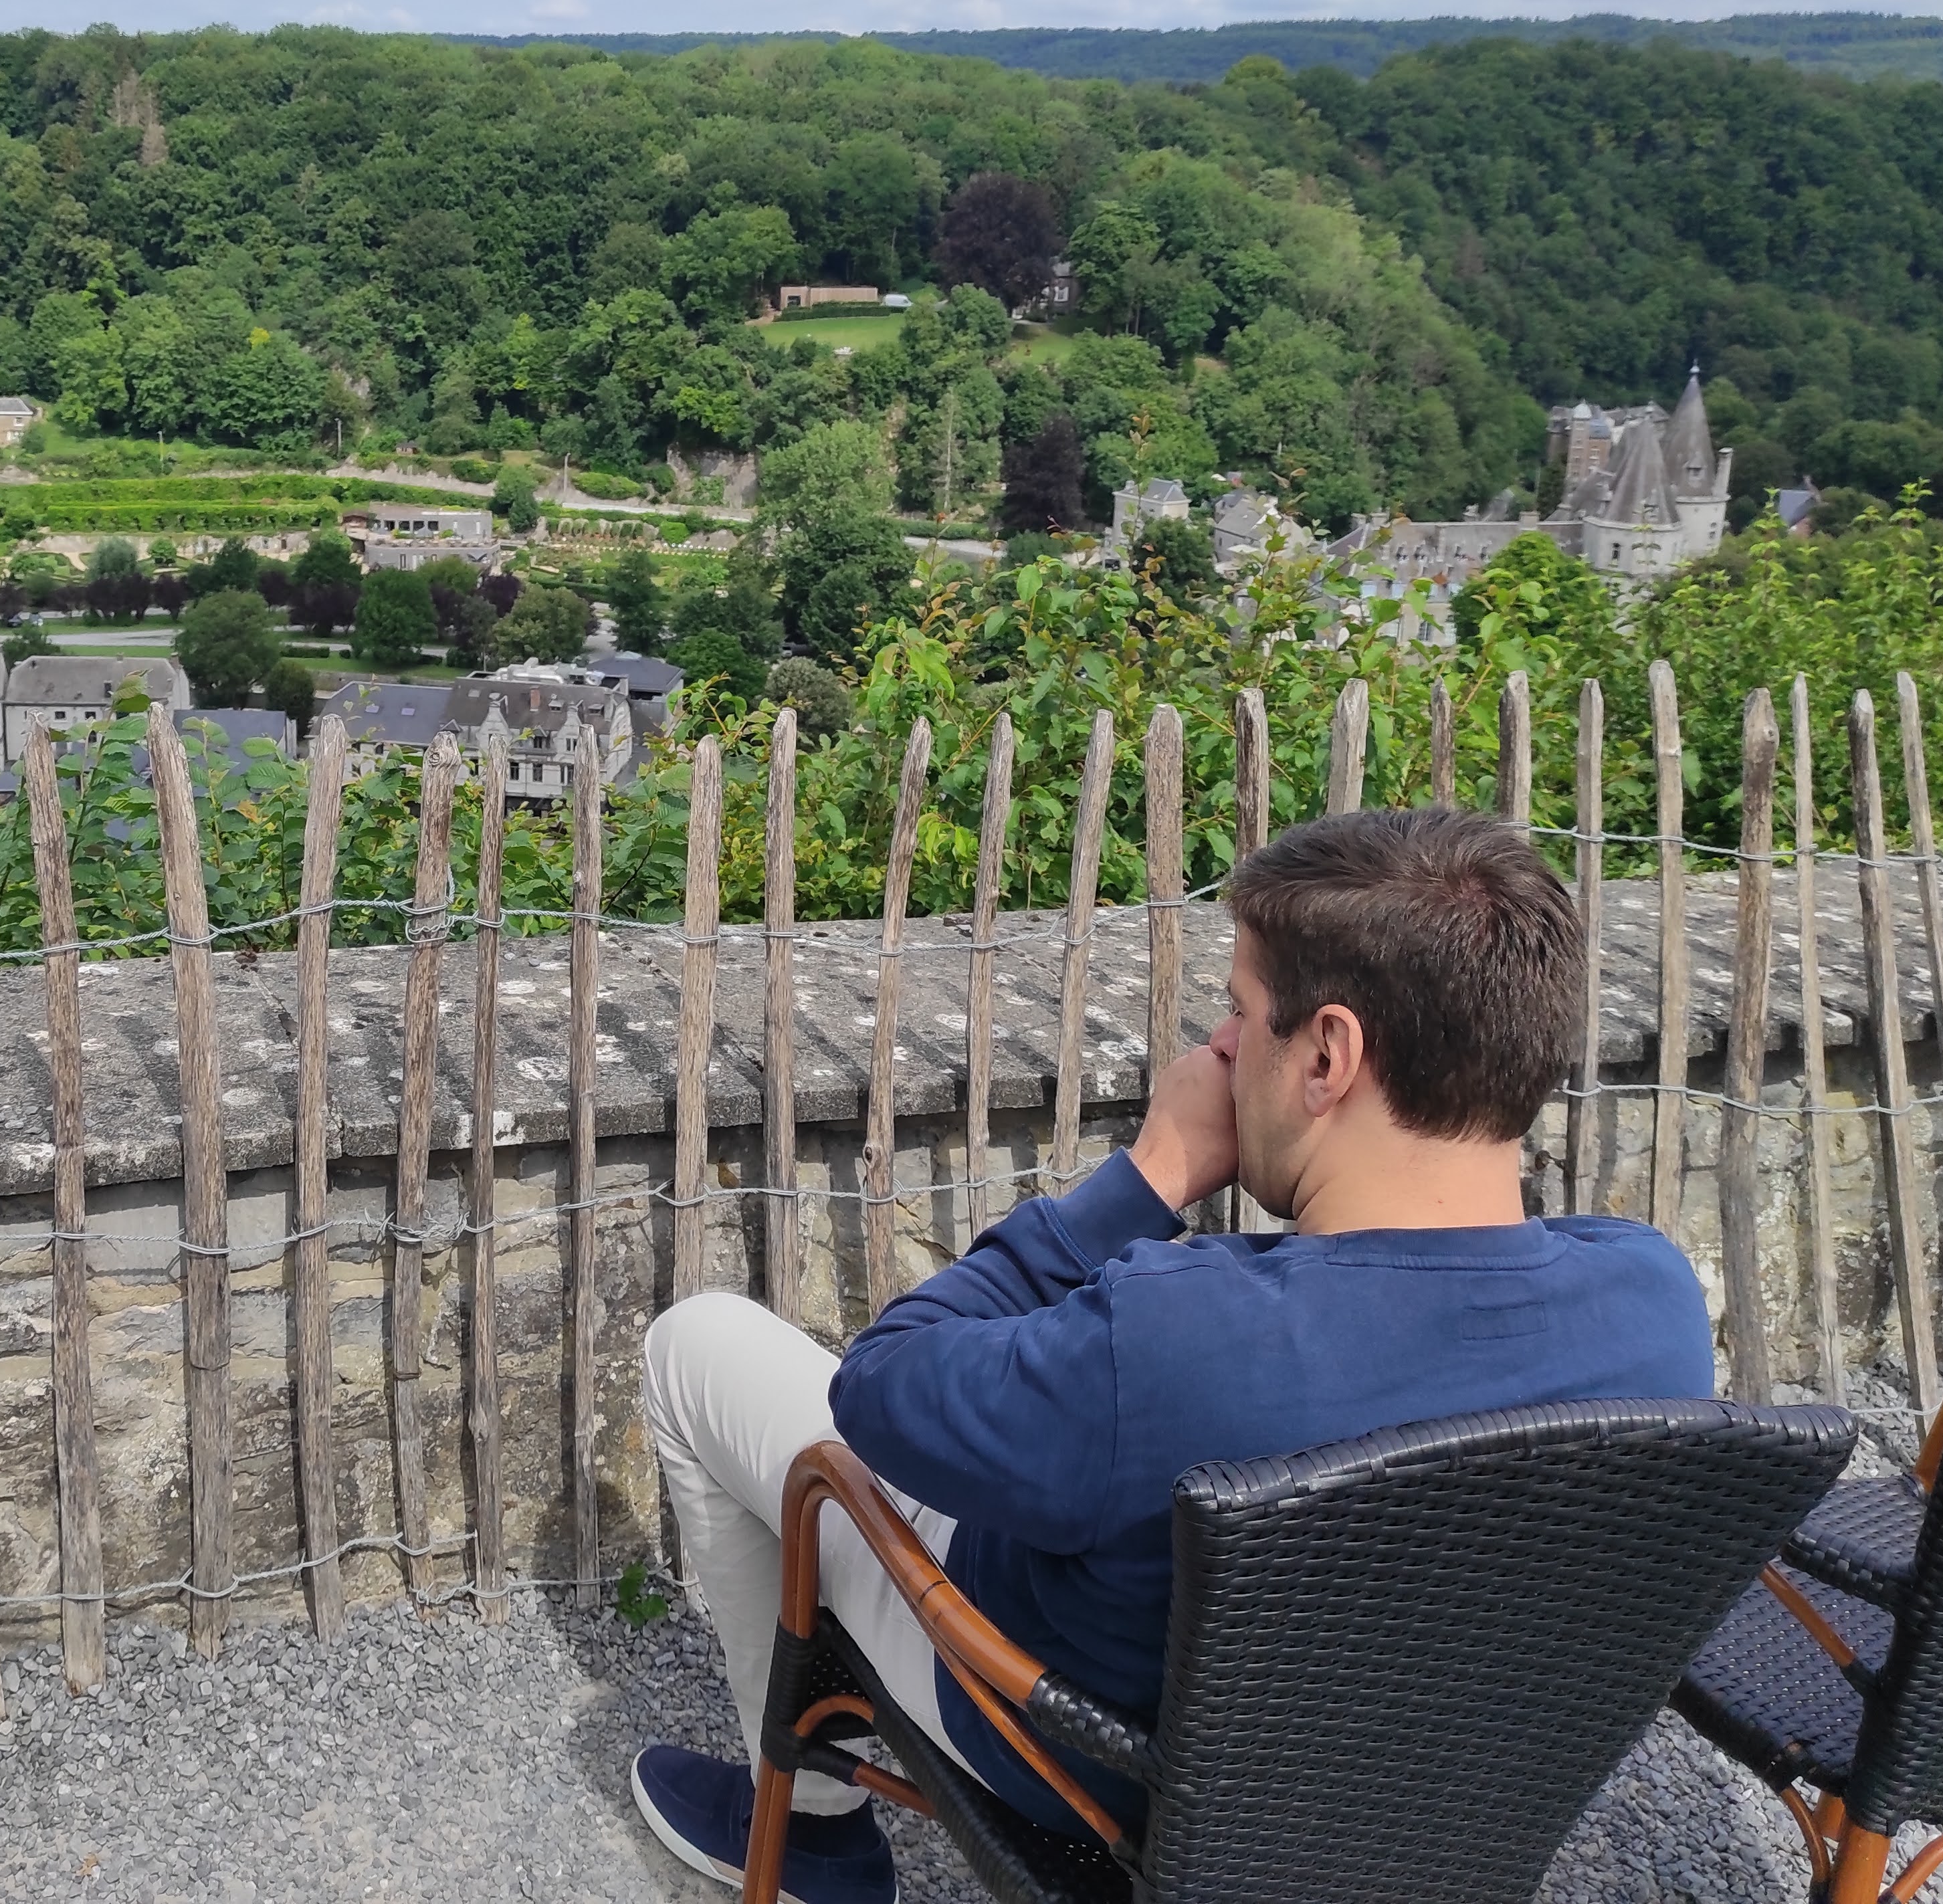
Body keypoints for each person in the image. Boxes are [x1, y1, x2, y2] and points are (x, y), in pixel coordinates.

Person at [629, 807, 1714, 1904]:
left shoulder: (1177, 1338)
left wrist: (1145, 1178)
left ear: (1329, 1054)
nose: (1221, 1052)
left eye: (1240, 1017)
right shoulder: (1655, 1304)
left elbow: (883, 1384)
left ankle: (815, 1834)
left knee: (695, 1346)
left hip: (1085, 1757)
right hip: (1434, 1787)